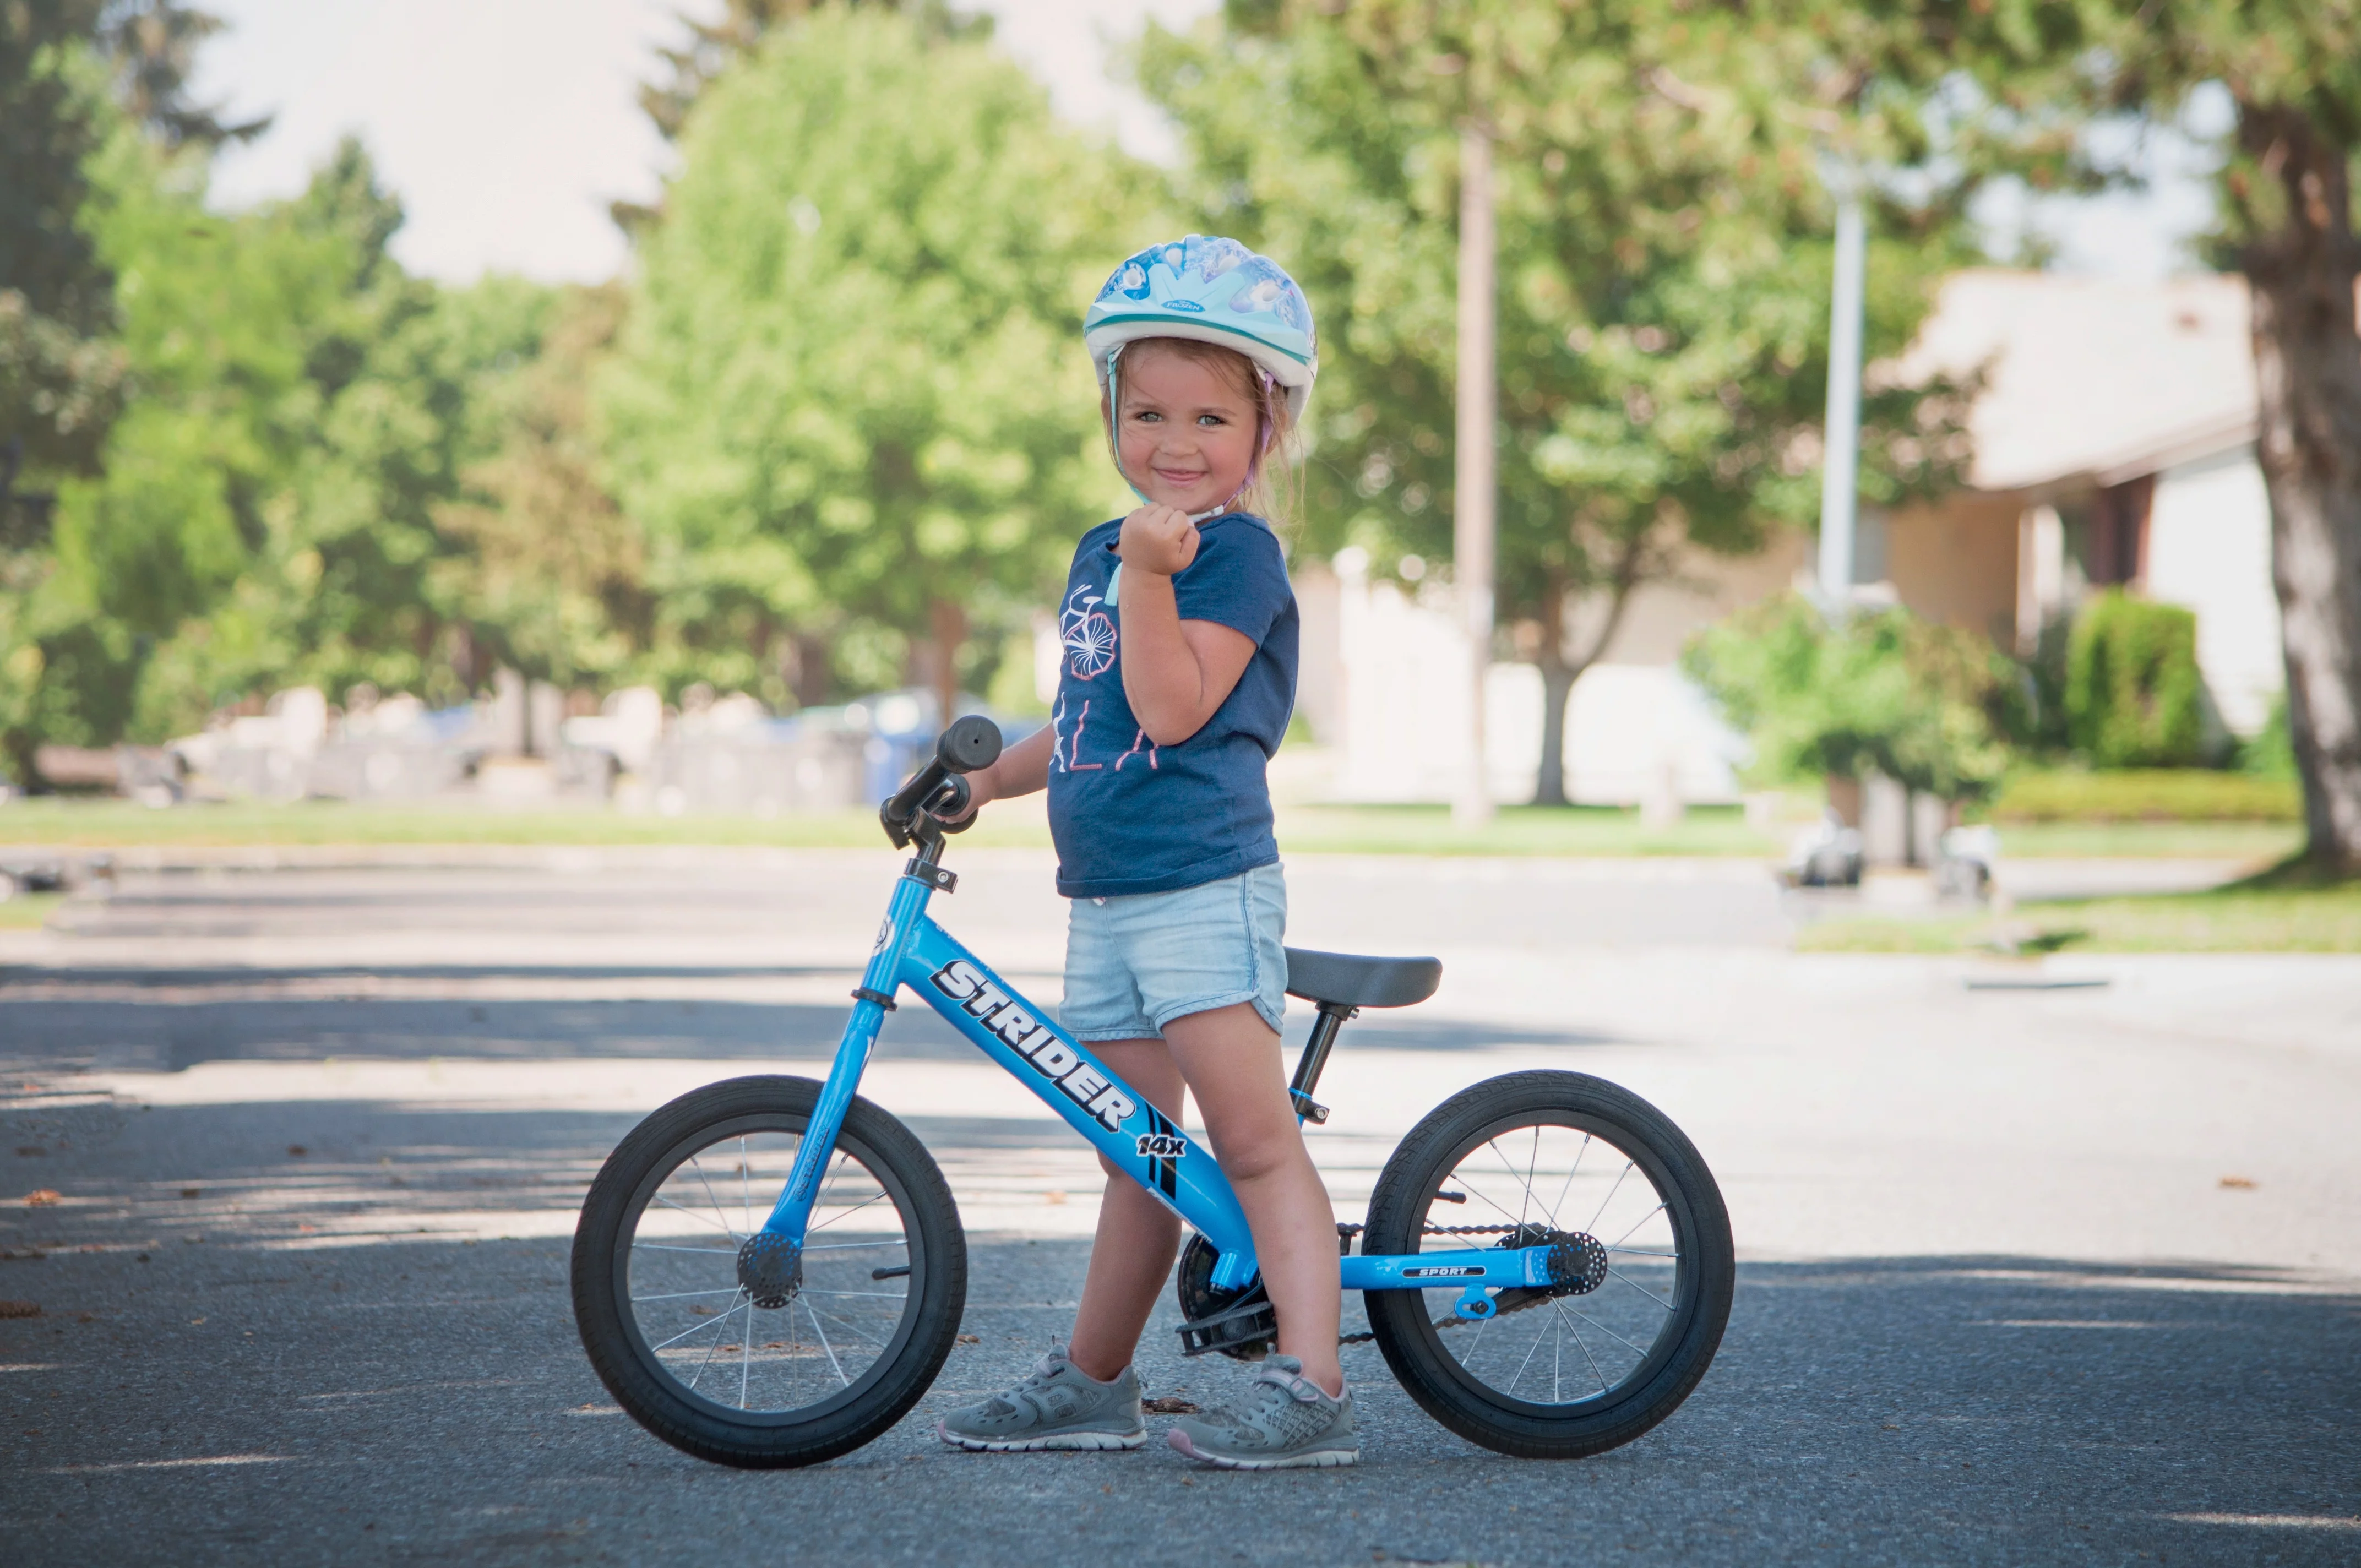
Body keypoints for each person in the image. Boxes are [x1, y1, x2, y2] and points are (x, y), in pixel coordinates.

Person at [935, 237, 1354, 1469]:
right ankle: (1091, 1379)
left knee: (1252, 1141)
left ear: (1266, 426)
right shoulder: (1104, 549)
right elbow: (1088, 720)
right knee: (1137, 1154)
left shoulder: (1231, 556)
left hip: (1199, 888)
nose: (1175, 441)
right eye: (1147, 410)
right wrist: (983, 781)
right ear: (1110, 410)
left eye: (1210, 415)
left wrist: (1144, 574)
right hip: (1107, 896)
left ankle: (1314, 1382)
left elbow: (1171, 706)